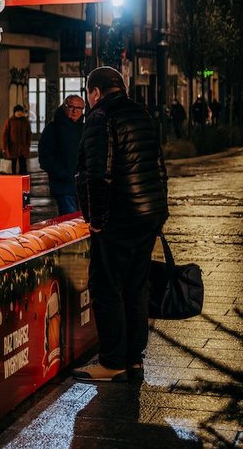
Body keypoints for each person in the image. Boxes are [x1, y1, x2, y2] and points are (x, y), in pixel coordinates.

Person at [73, 67, 168, 382]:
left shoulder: (100, 117)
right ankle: (134, 358)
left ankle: (113, 360)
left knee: (106, 285)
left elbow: (97, 173)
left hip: (118, 216)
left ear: (96, 92)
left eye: (88, 95)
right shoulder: (142, 114)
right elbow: (158, 166)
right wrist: (160, 211)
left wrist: (96, 220)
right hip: (148, 214)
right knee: (136, 285)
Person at [38, 95, 85, 216]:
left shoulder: (84, 128)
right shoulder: (52, 129)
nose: (75, 111)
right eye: (72, 107)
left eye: (79, 108)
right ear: (64, 106)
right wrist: (63, 174)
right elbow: (45, 158)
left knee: (82, 225)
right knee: (70, 222)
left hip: (83, 186)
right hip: (64, 185)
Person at [1, 104, 32, 175]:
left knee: (23, 165)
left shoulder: (25, 121)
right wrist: (5, 147)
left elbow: (29, 133)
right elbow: (5, 135)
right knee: (12, 165)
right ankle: (13, 180)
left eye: (21, 111)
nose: (19, 113)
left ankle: (23, 179)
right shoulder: (10, 121)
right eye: (17, 111)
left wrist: (28, 144)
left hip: (23, 147)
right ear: (14, 112)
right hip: (12, 147)